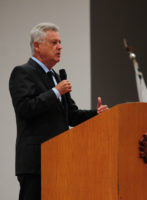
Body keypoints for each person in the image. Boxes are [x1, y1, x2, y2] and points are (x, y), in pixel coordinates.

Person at [9, 22, 108, 200]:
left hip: (60, 160)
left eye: (60, 42)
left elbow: (70, 115)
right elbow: (25, 109)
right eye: (54, 43)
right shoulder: (22, 72)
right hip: (35, 163)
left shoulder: (56, 76)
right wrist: (55, 92)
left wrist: (96, 114)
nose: (60, 47)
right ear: (37, 46)